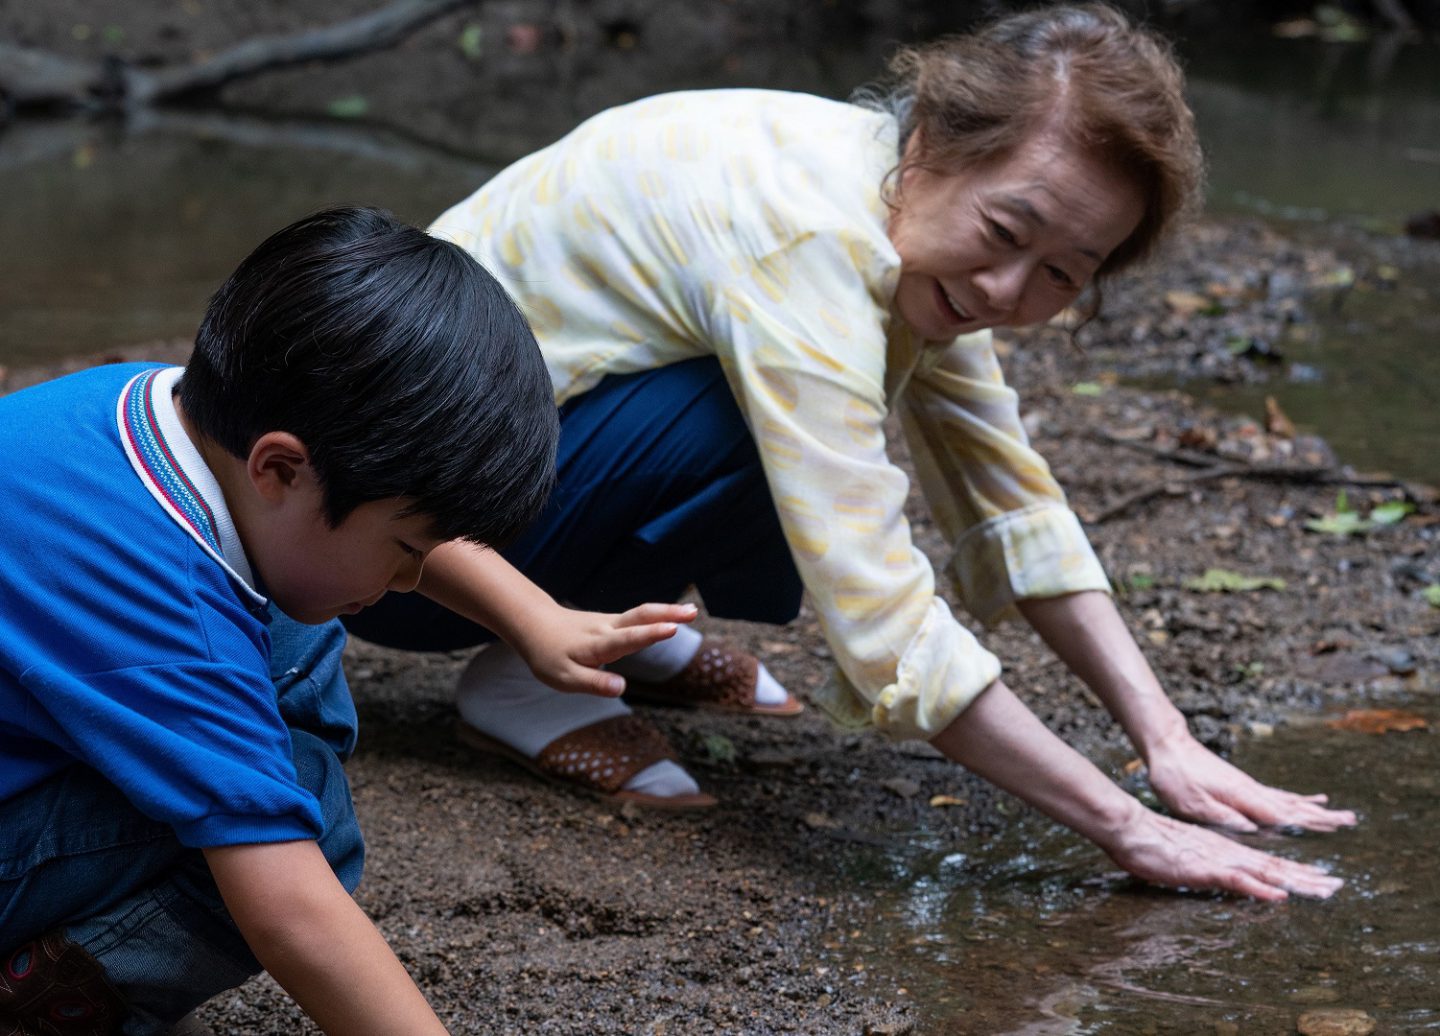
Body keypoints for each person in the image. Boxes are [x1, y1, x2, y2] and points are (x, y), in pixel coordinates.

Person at [347, 4, 1356, 899]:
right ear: (929, 145)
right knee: (759, 425)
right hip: (395, 555)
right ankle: (532, 672)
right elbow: (882, 614)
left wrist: (1165, 736)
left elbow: (1007, 499)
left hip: (496, 474)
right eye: (1007, 229)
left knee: (793, 403)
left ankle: (617, 615)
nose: (1010, 290)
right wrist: (1129, 827)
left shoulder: (897, 215)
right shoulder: (813, 246)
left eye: (1061, 271)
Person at [0, 207, 692, 1035]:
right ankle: (43, 1001)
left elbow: (380, 510)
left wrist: (535, 619)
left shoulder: (156, 407)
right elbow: (293, 910)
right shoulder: (172, 616)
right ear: (280, 466)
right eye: (404, 549)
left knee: (290, 633)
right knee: (308, 813)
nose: (409, 580)